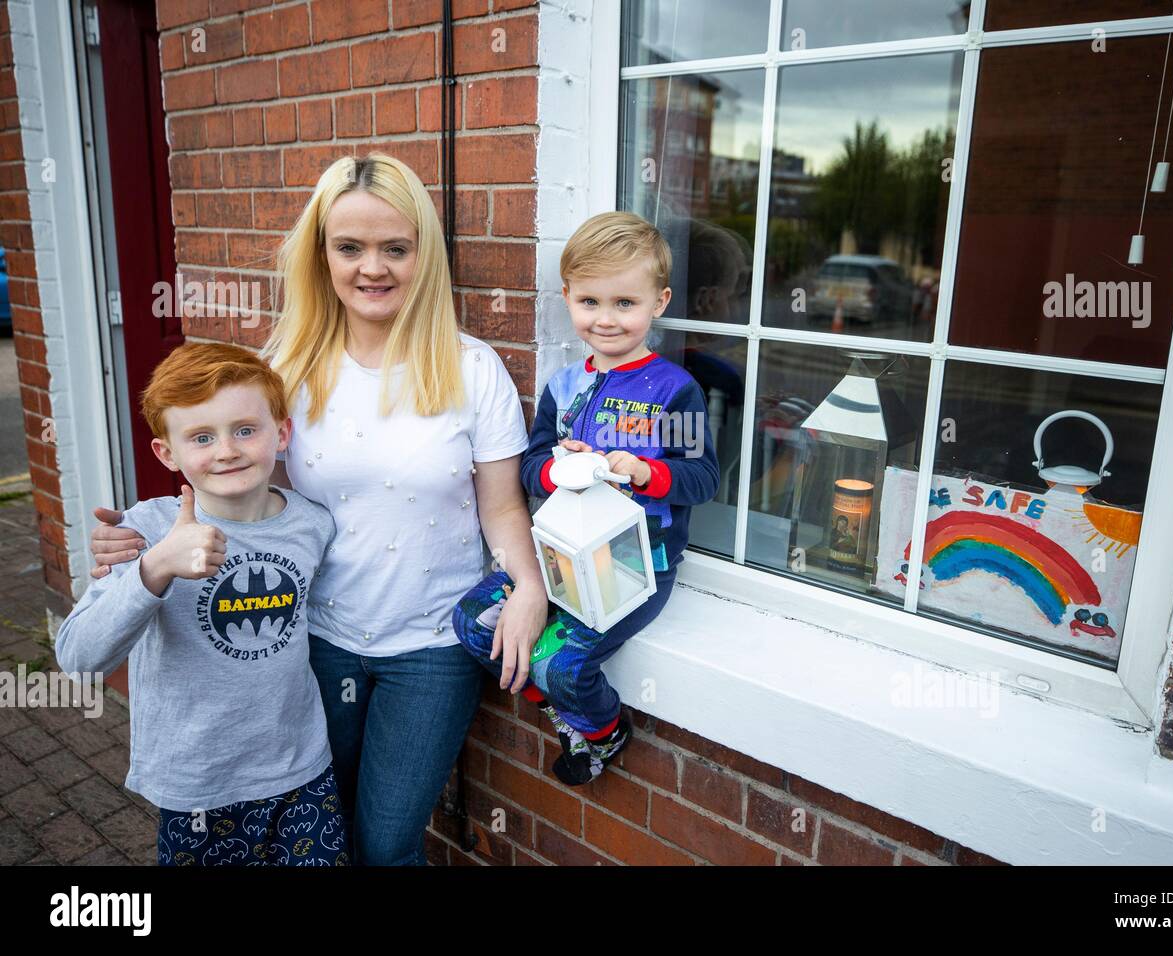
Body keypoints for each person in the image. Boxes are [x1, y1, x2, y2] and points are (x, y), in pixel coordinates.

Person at [88, 153, 549, 865]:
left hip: (431, 649)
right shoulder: (288, 369)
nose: (374, 267)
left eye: (395, 248)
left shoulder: (471, 368)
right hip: (313, 640)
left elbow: (503, 509)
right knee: (319, 836)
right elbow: (229, 480)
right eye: (351, 247)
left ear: (421, 255)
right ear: (322, 254)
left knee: (388, 845)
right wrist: (144, 539)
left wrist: (528, 587)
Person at [452, 211, 720, 786]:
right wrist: (556, 468)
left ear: (660, 302)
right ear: (568, 297)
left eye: (625, 303)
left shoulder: (674, 389)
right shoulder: (564, 386)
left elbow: (703, 477)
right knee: (473, 622)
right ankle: (567, 714)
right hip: (558, 553)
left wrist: (647, 474)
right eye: (590, 302)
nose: (606, 319)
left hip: (636, 563)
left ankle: (603, 731)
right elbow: (529, 467)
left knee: (565, 664)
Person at [55, 342, 348, 866]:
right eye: (201, 437)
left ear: (280, 433)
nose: (227, 451)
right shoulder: (146, 531)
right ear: (167, 454)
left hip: (301, 771)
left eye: (244, 429)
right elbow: (78, 657)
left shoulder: (313, 523)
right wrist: (155, 568)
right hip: (197, 784)